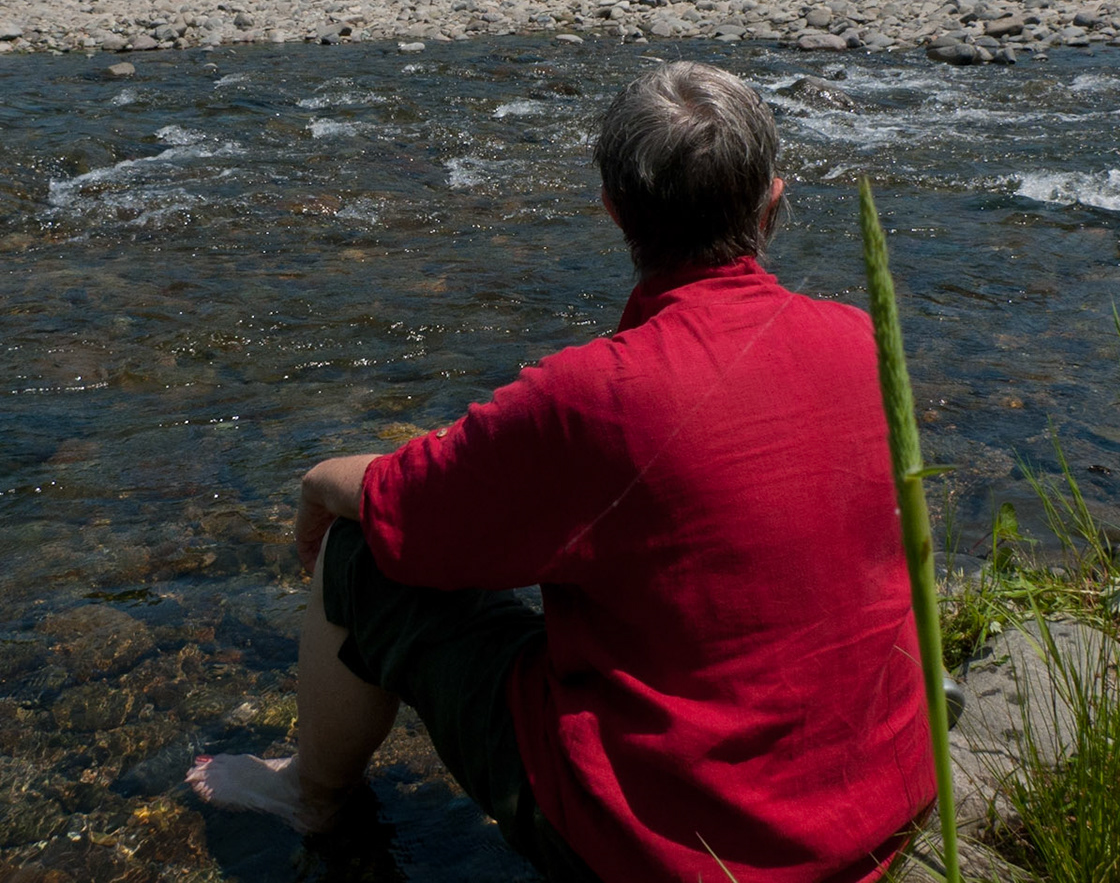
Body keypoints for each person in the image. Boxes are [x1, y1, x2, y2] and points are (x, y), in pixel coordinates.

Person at [187, 61, 934, 881]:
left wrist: (318, 482)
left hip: (677, 853)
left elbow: (408, 510)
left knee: (360, 552)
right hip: (881, 811)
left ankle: (311, 795)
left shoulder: (593, 395)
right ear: (772, 203)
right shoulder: (866, 339)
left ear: (614, 210)